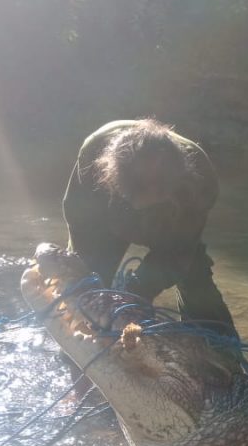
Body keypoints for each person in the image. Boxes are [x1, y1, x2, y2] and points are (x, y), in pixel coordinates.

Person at [62, 118, 238, 339]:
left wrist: (137, 290)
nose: (141, 205)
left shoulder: (201, 180)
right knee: (88, 278)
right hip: (108, 210)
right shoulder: (93, 156)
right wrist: (87, 280)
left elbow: (178, 251)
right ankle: (78, 338)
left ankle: (217, 344)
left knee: (195, 280)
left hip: (171, 219)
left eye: (154, 195)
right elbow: (81, 223)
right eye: (138, 194)